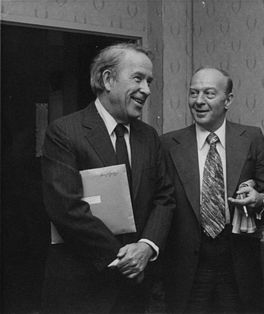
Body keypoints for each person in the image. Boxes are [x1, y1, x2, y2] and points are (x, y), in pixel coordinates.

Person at [41, 43, 175, 314]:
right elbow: (67, 209)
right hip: (82, 288)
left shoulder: (149, 137)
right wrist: (125, 260)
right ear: (107, 79)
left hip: (136, 293)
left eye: (149, 82)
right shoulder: (65, 133)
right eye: (138, 78)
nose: (147, 90)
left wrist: (146, 247)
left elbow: (165, 196)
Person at [161, 67, 264, 313]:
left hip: (237, 264)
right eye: (193, 93)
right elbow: (160, 204)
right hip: (188, 268)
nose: (199, 101)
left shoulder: (251, 138)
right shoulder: (168, 144)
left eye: (209, 93)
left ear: (228, 100)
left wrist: (259, 201)